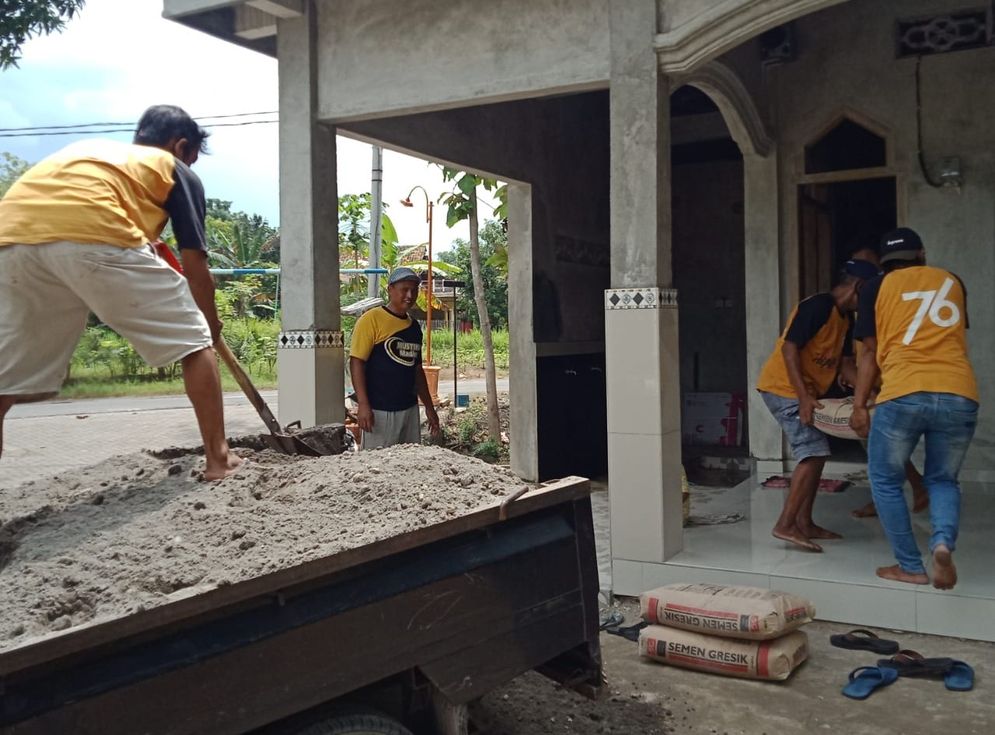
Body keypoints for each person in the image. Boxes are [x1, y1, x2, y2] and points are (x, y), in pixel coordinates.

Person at [0, 105, 241, 481]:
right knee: (195, 343)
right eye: (192, 158)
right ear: (180, 146)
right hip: (92, 232)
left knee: (4, 379)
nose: (191, 166)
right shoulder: (173, 169)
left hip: (11, 242)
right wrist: (209, 325)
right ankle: (220, 460)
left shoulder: (99, 157)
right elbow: (196, 266)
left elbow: (146, 239)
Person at [850, 228, 978, 590]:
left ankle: (910, 566)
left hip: (904, 390)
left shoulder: (875, 287)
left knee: (886, 479)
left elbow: (870, 354)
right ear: (921, 253)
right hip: (958, 391)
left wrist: (859, 405)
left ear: (885, 263)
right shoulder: (952, 281)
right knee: (942, 479)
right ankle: (941, 544)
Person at [757, 259, 877, 551]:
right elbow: (789, 349)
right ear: (860, 287)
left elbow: (845, 364)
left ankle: (805, 523)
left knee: (818, 454)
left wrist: (869, 394)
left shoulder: (845, 319)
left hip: (802, 392)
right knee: (812, 452)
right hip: (783, 389)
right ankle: (785, 524)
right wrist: (804, 397)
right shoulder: (818, 306)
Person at [837, 245, 928, 519]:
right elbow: (853, 357)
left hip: (885, 387)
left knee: (882, 449)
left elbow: (870, 354)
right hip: (872, 387)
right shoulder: (855, 310)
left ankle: (895, 496)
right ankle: (914, 487)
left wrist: (866, 396)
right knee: (882, 447)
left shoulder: (880, 301)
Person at [349, 267, 441, 449]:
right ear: (390, 289)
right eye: (404, 289)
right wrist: (363, 404)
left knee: (407, 465)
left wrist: (429, 408)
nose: (409, 295)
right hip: (379, 411)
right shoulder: (371, 319)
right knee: (377, 466)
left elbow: (416, 370)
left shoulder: (414, 327)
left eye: (414, 290)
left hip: (409, 408)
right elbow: (356, 362)